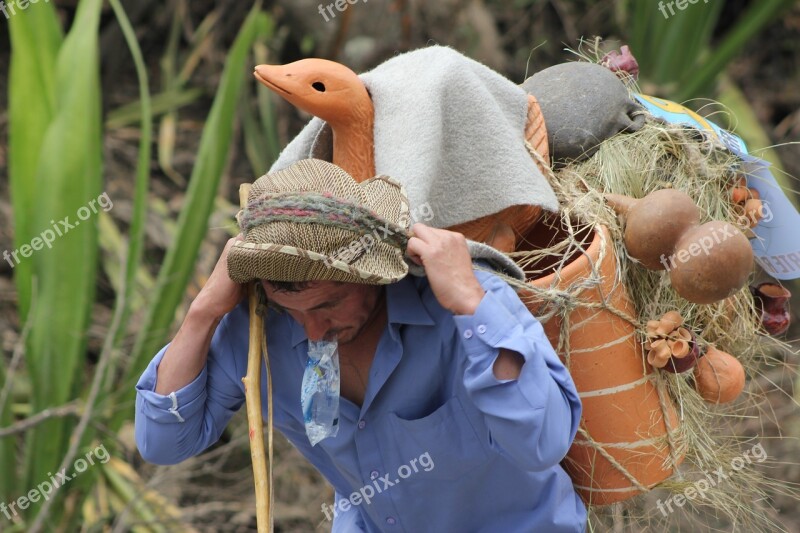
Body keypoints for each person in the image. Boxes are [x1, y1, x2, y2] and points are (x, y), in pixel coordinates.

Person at [135, 159, 586, 532]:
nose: (313, 332)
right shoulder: (258, 328)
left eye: (329, 304)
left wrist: (471, 304)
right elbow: (163, 443)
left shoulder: (468, 303)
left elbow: (542, 445)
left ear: (372, 274)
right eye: (294, 311)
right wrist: (202, 315)